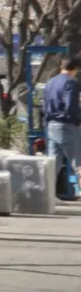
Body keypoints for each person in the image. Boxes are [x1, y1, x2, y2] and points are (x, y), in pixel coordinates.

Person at [41, 56, 81, 201]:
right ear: (74, 69)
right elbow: (70, 106)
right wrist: (77, 121)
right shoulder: (71, 83)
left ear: (61, 67)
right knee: (79, 161)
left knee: (53, 163)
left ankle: (45, 195)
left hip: (51, 125)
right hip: (67, 125)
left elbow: (45, 105)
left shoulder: (50, 82)